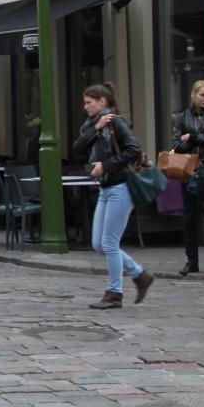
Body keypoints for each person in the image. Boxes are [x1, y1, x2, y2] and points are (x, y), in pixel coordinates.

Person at [71, 82, 154, 309]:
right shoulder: (93, 125)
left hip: (120, 187)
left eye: (89, 102)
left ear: (102, 102)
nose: (85, 106)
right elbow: (77, 149)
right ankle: (139, 274)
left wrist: (105, 166)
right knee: (98, 243)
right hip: (105, 188)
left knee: (109, 243)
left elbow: (134, 149)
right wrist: (96, 129)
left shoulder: (116, 122)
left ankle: (114, 293)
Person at [171, 80, 204, 276]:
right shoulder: (182, 117)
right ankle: (191, 261)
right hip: (189, 171)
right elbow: (176, 145)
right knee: (190, 217)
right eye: (203, 95)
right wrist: (200, 138)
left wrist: (191, 137)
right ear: (193, 95)